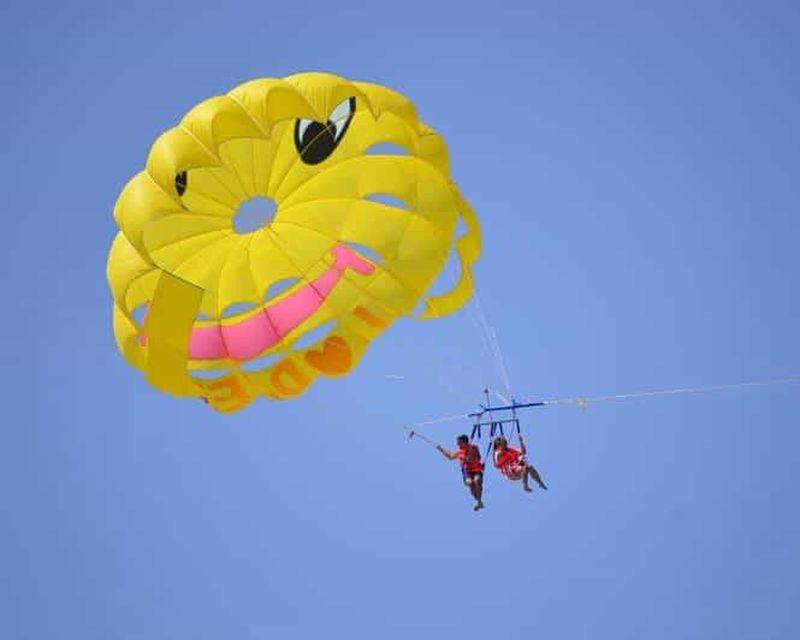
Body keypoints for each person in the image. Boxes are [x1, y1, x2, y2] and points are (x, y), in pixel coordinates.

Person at [437, 435, 485, 511]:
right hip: (467, 473)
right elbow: (450, 456)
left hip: (476, 470)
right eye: (457, 443)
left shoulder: (474, 447)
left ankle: (479, 501)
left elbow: (478, 457)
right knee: (470, 483)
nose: (458, 445)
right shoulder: (459, 452)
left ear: (464, 442)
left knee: (477, 480)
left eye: (459, 443)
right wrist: (441, 449)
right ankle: (478, 500)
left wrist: (468, 458)